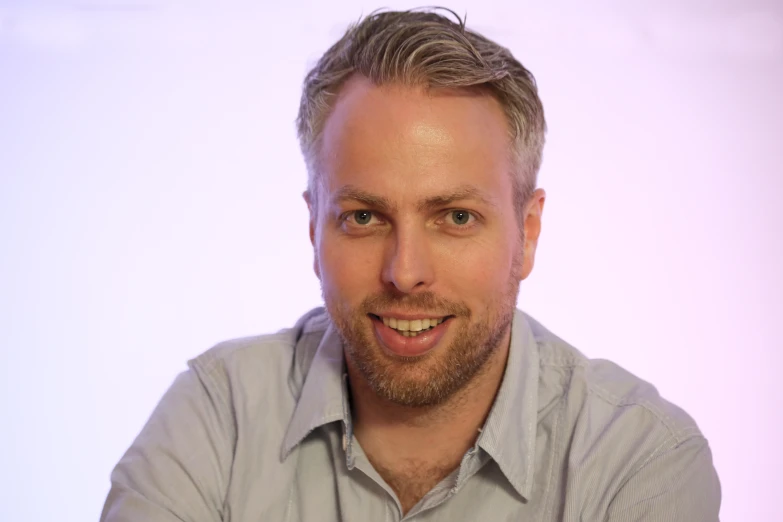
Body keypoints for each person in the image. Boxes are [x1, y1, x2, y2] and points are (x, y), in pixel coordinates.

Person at [100, 8, 721, 521]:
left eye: (454, 217)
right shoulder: (217, 420)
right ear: (314, 226)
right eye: (364, 217)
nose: (405, 272)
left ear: (527, 233)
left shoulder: (639, 462)